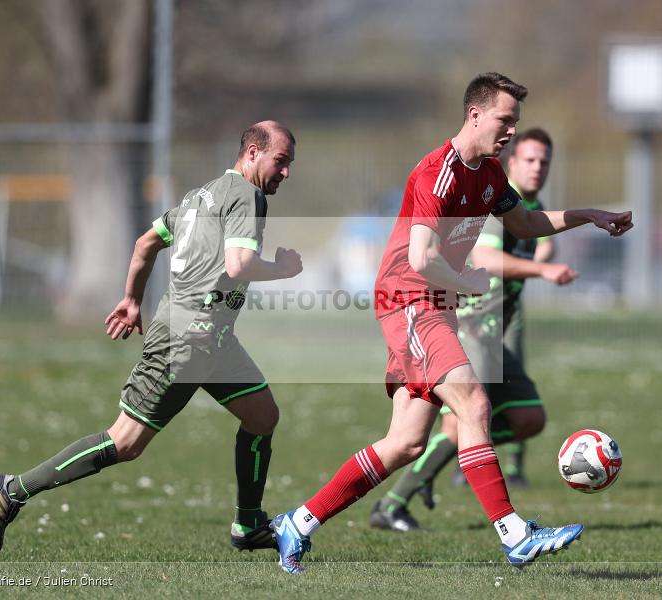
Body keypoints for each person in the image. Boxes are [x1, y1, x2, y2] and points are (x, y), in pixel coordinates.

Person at [271, 73, 632, 574]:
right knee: (474, 403)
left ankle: (298, 523)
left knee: (406, 443)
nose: (511, 130)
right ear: (475, 115)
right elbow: (421, 257)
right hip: (409, 300)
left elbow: (526, 223)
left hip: (433, 304)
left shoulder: (490, 175)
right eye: (505, 120)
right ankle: (515, 535)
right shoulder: (437, 173)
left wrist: (589, 215)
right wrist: (466, 280)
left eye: (516, 122)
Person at [0, 121, 303, 554]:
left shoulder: (198, 198)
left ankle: (248, 525)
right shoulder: (248, 195)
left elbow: (145, 243)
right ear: (252, 153)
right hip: (184, 342)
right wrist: (282, 269)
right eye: (280, 161)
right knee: (125, 441)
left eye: (289, 164)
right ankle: (14, 489)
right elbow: (240, 264)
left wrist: (132, 300)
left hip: (214, 340)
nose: (286, 172)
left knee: (262, 415)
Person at [369, 127, 581, 532]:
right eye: (530, 160)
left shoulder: (530, 208)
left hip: (497, 328)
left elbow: (531, 229)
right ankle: (394, 503)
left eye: (545, 162)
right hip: (470, 322)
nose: (537, 168)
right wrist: (541, 269)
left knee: (528, 418)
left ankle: (466, 454)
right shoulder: (493, 197)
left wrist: (584, 218)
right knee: (461, 419)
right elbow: (484, 257)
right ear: (512, 162)